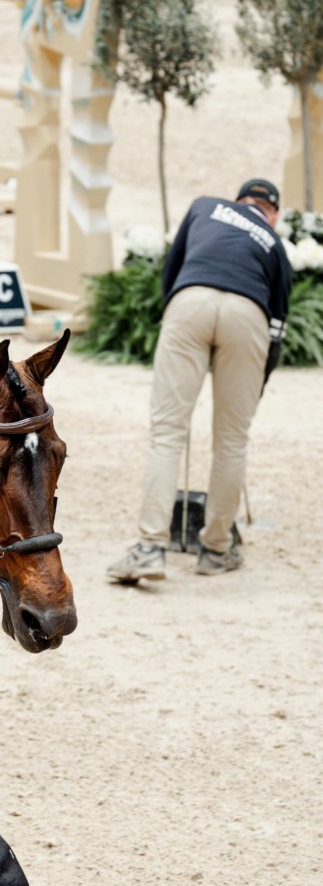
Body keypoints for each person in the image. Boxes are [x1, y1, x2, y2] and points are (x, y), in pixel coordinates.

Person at [107, 179, 291, 585]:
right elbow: (277, 329)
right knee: (231, 439)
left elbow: (170, 275)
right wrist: (255, 388)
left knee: (168, 432)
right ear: (272, 213)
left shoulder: (205, 206)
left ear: (239, 200)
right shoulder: (275, 245)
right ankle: (216, 549)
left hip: (190, 300)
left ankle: (151, 547)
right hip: (251, 314)